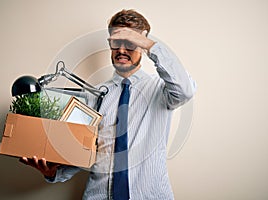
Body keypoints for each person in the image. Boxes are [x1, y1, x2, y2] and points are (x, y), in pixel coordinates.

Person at [20, 9, 197, 200]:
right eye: (116, 42)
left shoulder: (161, 89)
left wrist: (149, 44)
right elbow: (81, 150)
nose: (121, 50)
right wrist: (53, 172)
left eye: (129, 43)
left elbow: (185, 90)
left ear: (142, 45)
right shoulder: (93, 95)